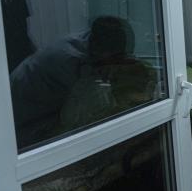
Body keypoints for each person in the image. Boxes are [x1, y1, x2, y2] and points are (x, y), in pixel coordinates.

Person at [10, 16, 154, 149]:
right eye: (112, 61)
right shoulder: (68, 60)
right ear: (99, 50)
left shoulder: (96, 41)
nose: (113, 68)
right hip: (21, 109)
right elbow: (80, 113)